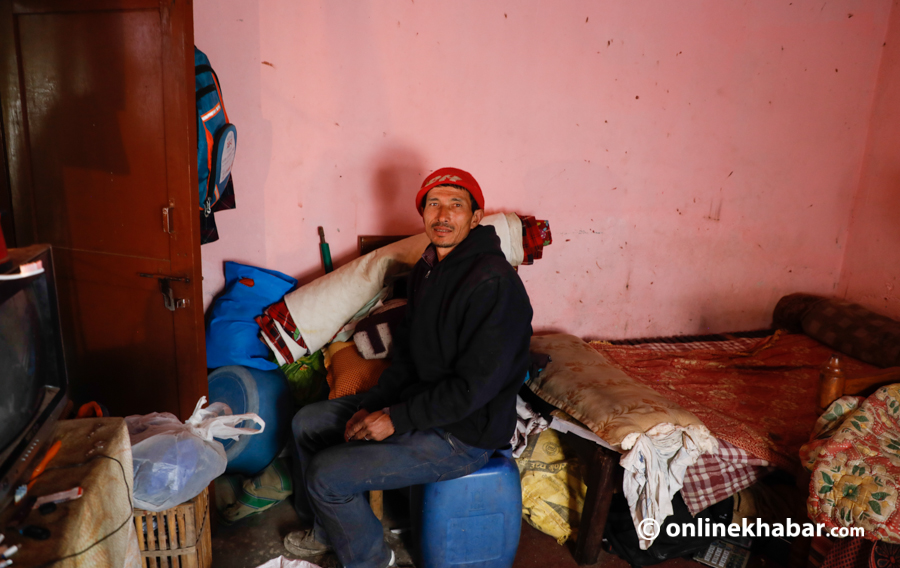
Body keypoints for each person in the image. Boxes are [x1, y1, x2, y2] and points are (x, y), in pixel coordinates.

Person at [284, 167, 533, 568]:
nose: (443, 215)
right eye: (433, 204)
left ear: (475, 217)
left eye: (456, 205)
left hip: (463, 434)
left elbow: (473, 389)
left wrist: (395, 419)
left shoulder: (493, 283)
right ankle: (330, 530)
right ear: (423, 214)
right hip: (418, 405)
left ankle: (371, 560)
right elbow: (406, 357)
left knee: (326, 475)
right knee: (307, 423)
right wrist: (374, 405)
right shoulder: (428, 270)